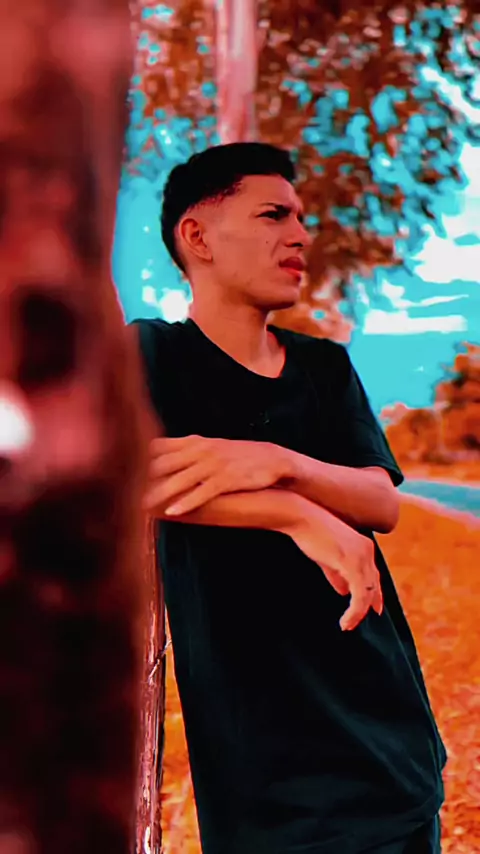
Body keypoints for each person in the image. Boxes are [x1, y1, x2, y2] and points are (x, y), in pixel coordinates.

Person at [130, 143, 446, 854]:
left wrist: (276, 464)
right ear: (197, 236)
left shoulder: (324, 367)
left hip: (389, 745)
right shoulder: (152, 356)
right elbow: (132, 475)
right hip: (263, 774)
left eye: (301, 219)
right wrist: (292, 514)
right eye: (274, 215)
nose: (301, 235)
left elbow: (380, 503)